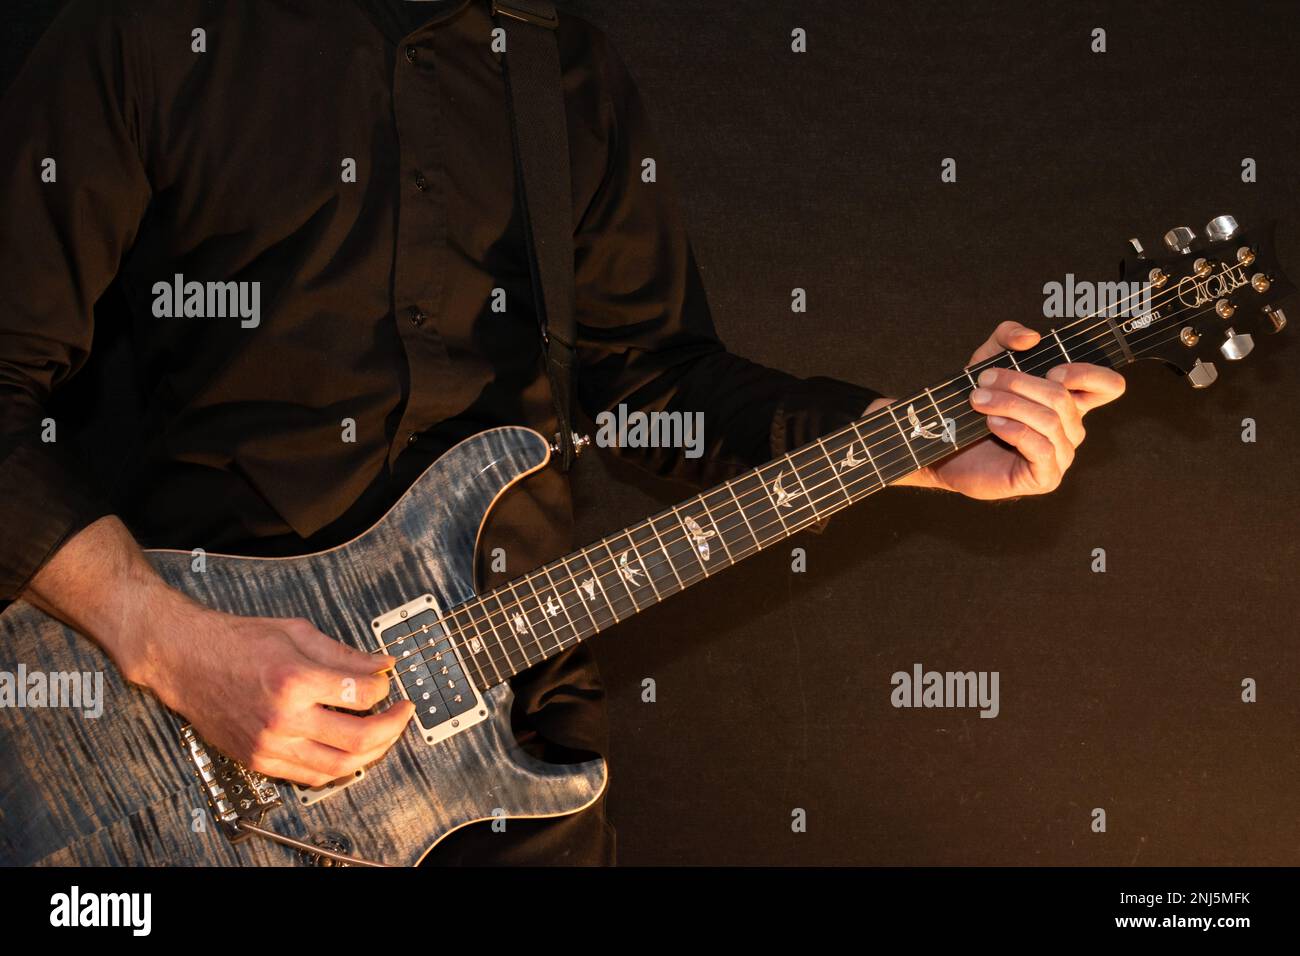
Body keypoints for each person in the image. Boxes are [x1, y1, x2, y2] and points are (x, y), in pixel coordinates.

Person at [0, 0, 1124, 865]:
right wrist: (169, 645)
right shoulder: (144, 35)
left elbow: (653, 379)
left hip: (512, 739)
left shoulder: (556, 66)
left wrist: (917, 440)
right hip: (174, 748)